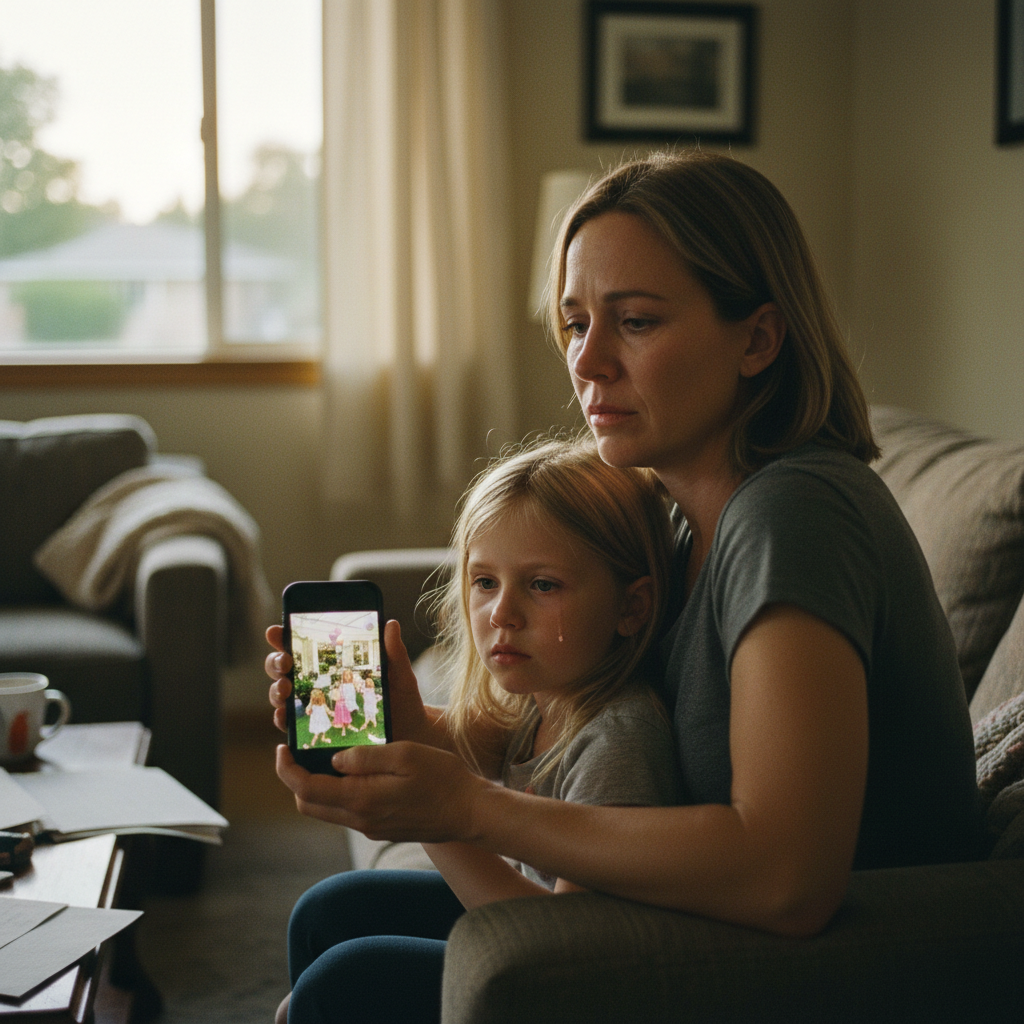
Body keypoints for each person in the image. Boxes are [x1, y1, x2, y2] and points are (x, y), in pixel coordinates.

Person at [267, 151, 984, 1022]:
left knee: (355, 983)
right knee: (338, 914)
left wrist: (471, 808)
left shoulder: (796, 512)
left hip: (830, 966)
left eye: (635, 322)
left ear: (757, 339)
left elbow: (788, 875)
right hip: (700, 916)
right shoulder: (669, 514)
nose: (589, 362)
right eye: (574, 323)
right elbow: (577, 721)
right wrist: (418, 738)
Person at [274, 435, 680, 1023]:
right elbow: (471, 742)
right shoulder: (549, 697)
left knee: (344, 983)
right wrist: (394, 716)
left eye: (542, 585)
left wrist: (431, 820)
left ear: (631, 607)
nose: (501, 614)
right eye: (485, 582)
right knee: (326, 911)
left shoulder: (618, 740)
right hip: (532, 937)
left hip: (564, 981)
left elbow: (570, 956)